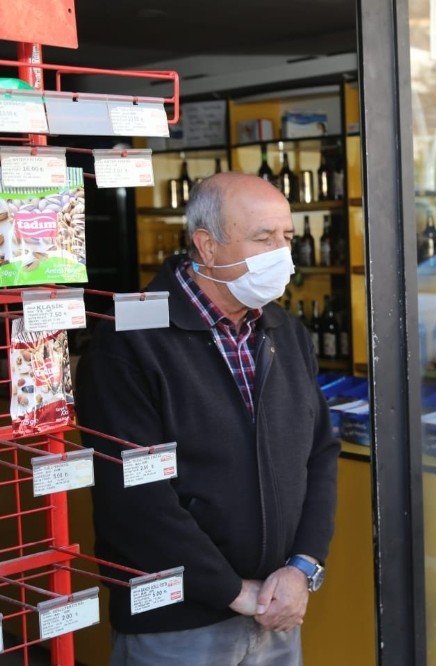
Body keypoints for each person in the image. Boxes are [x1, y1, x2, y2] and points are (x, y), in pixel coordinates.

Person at [77, 172, 340, 665]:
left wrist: (302, 568)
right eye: (263, 238)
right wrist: (232, 591)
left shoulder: (284, 330)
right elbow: (133, 494)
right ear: (207, 246)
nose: (282, 254)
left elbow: (319, 453)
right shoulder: (128, 340)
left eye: (286, 237)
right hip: (178, 626)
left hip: (278, 607)